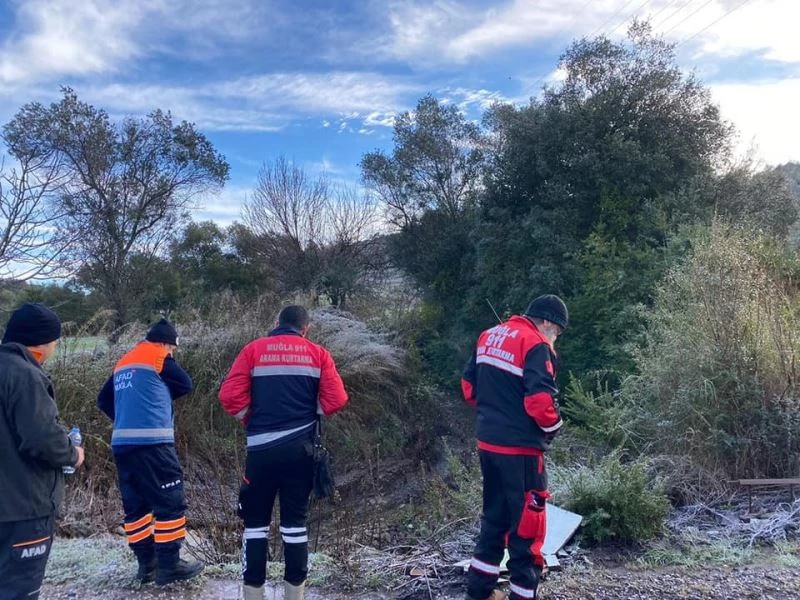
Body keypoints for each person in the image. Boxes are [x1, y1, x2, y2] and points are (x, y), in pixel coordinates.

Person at [219, 305, 348, 600]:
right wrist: (311, 413)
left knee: (255, 526)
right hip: (301, 453)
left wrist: (250, 418)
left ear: (276, 322)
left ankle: (253, 595)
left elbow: (228, 396)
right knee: (295, 526)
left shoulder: (253, 350)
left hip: (260, 453)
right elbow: (337, 400)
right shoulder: (318, 354)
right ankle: (295, 596)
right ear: (306, 329)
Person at [461, 295, 568, 600]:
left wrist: (496, 411)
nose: (555, 339)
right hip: (521, 453)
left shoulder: (488, 336)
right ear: (547, 321)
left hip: (488, 446)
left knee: (494, 520)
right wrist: (554, 428)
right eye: (557, 332)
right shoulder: (536, 344)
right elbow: (541, 403)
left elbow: (469, 389)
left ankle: (478, 593)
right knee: (527, 530)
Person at [97, 318, 202, 586]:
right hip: (153, 444)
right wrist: (154, 403)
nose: (172, 354)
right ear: (168, 344)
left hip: (122, 444)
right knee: (170, 502)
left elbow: (103, 400)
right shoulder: (157, 355)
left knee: (137, 508)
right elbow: (185, 384)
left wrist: (128, 415)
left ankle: (147, 566)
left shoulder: (124, 361)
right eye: (173, 349)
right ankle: (169, 565)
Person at [0, 303, 85, 599]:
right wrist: (72, 453)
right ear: (42, 343)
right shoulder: (24, 375)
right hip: (22, 509)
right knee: (18, 590)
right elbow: (41, 438)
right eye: (54, 342)